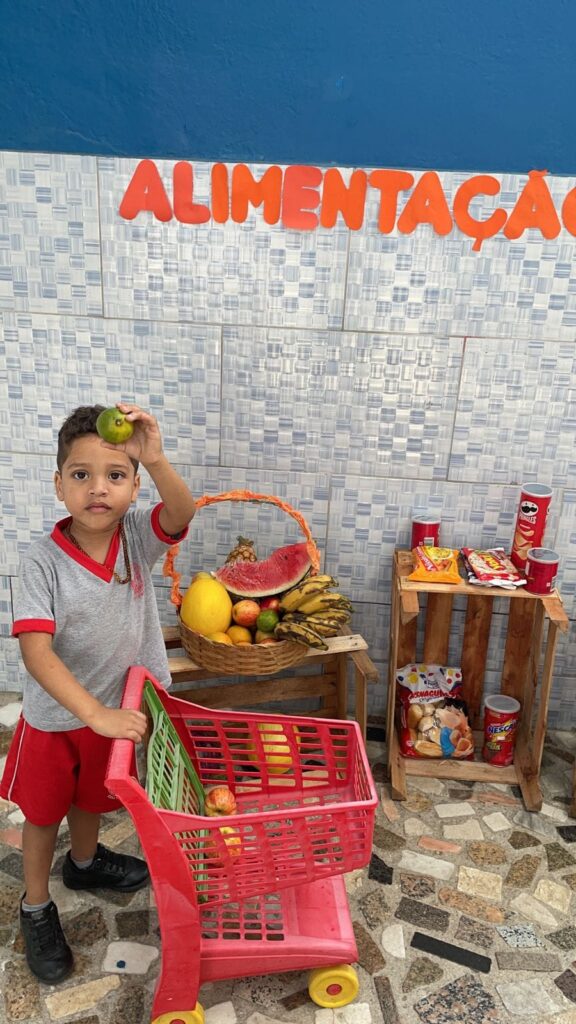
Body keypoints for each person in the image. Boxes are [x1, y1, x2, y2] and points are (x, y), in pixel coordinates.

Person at [0, 403, 196, 984]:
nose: (98, 489)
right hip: (58, 720)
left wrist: (154, 457)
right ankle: (36, 905)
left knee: (91, 798)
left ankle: (84, 864)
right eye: (81, 474)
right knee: (43, 816)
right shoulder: (40, 564)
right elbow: (37, 653)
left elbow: (182, 511)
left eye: (115, 475)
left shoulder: (136, 537)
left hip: (114, 710)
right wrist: (94, 714)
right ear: (58, 484)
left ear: (134, 487)